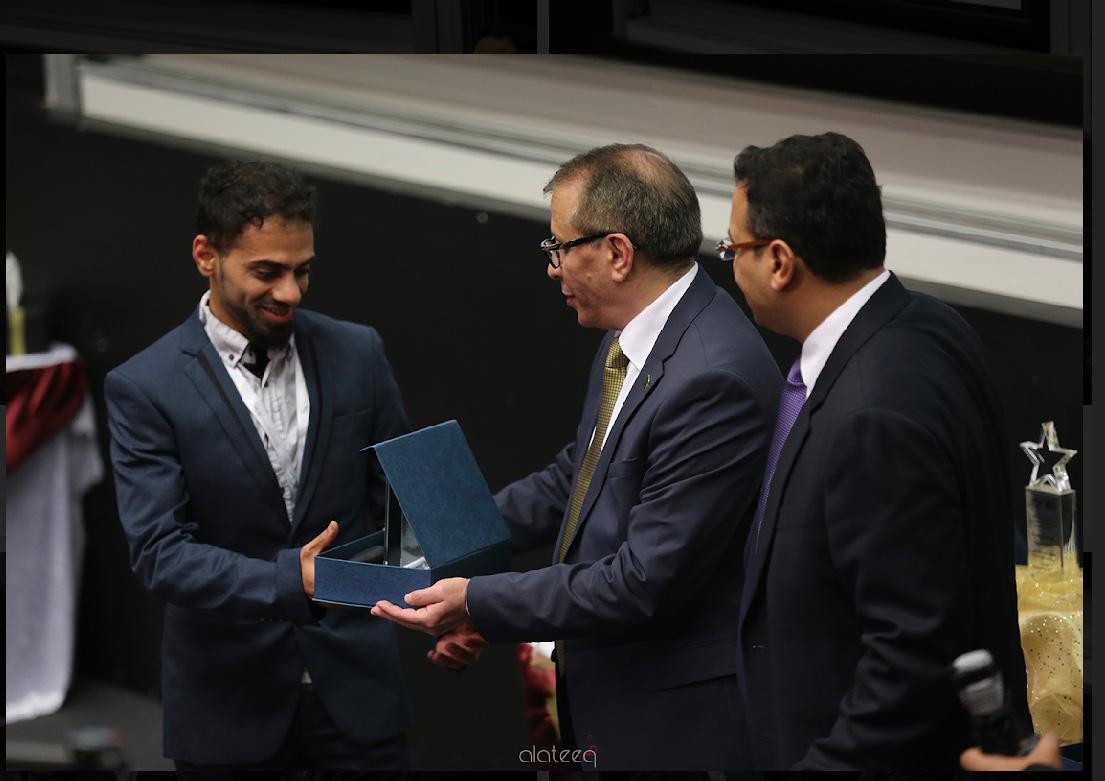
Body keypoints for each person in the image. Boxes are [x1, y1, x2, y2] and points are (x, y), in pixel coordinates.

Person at [366, 143, 782, 770]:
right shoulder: (634, 332)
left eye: (558, 247)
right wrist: (441, 538)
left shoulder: (710, 378)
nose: (552, 268)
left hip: (669, 729)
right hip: (611, 694)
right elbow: (577, 478)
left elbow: (642, 581)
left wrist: (476, 600)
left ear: (617, 253)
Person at [728, 132, 1030, 770]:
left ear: (779, 262)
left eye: (734, 249)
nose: (730, 265)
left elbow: (910, 658)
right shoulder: (930, 323)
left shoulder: (871, 415)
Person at [105, 161, 411, 771]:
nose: (290, 292)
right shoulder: (145, 387)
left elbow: (405, 503)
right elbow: (160, 552)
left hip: (359, 699)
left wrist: (454, 602)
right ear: (206, 256)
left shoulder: (358, 351)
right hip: (227, 709)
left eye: (303, 270)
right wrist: (290, 581)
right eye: (267, 272)